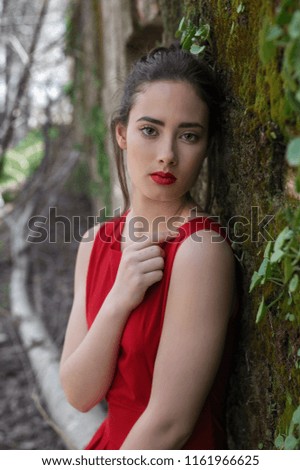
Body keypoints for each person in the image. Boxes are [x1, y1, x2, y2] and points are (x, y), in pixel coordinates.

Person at [59, 45, 239, 450]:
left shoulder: (200, 250)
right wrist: (119, 297)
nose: (167, 156)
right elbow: (79, 393)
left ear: (206, 145)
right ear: (122, 133)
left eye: (189, 135)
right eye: (150, 130)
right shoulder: (95, 244)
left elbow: (169, 425)